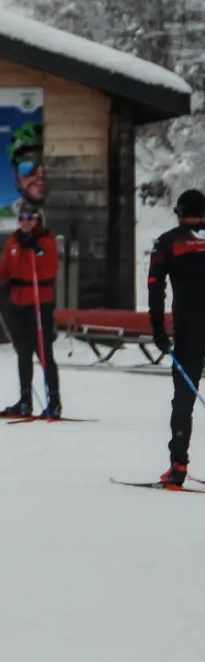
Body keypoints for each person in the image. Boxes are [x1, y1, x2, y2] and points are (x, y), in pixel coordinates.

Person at [0, 199, 60, 418]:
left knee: (43, 353)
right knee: (23, 353)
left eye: (29, 218)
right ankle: (25, 400)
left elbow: (50, 266)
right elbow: (4, 271)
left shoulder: (46, 242)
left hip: (40, 303)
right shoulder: (13, 242)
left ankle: (54, 400)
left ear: (37, 220)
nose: (25, 223)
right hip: (18, 303)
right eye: (21, 218)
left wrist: (36, 249)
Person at [148, 188, 205, 488]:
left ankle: (178, 467)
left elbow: (155, 286)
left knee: (183, 401)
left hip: (189, 331)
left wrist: (158, 329)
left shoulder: (169, 242)